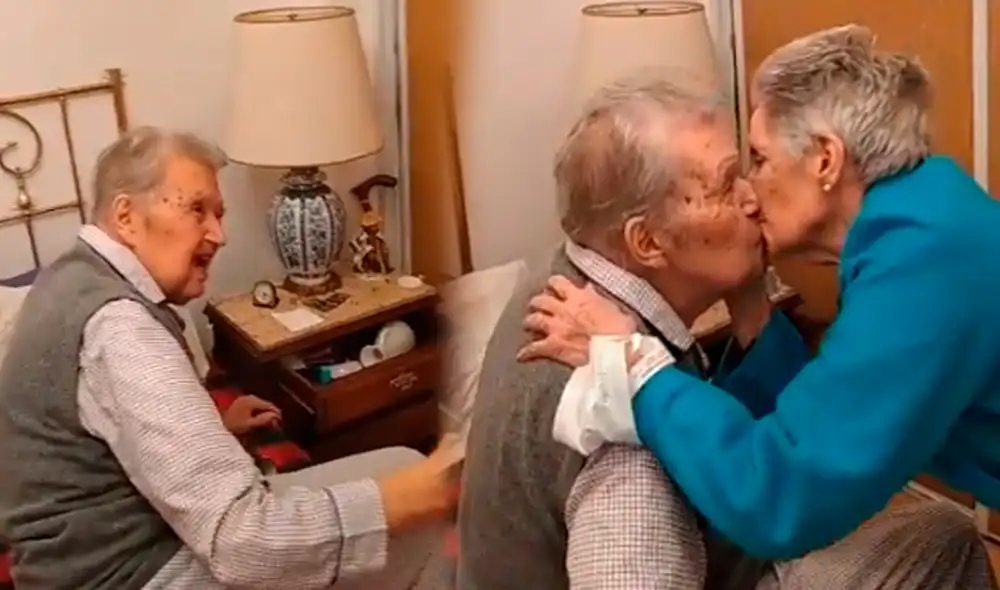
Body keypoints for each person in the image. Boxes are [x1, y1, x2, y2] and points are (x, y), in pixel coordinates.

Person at [454, 72, 984, 590]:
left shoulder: (559, 283)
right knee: (942, 534)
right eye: (728, 182)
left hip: (726, 547)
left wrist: (748, 294)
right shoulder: (612, 425)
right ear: (647, 242)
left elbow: (801, 433)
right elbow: (779, 492)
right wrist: (639, 372)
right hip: (726, 550)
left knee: (943, 531)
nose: (752, 196)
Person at [0, 126, 459, 590]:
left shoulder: (68, 280)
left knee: (400, 462)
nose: (218, 235)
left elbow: (101, 436)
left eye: (218, 215)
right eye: (196, 209)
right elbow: (245, 545)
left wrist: (211, 429)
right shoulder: (120, 328)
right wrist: (415, 498)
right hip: (133, 573)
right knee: (425, 514)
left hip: (91, 552)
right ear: (126, 217)